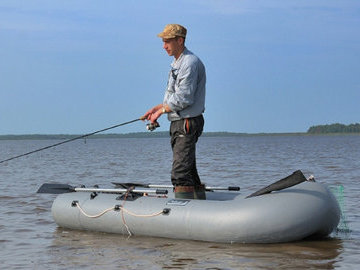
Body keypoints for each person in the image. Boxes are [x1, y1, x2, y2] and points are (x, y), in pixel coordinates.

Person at [143, 24, 206, 199]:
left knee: (180, 172)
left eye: (167, 42)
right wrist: (157, 109)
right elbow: (174, 96)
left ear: (180, 40)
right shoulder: (176, 63)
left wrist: (161, 111)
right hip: (179, 121)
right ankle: (199, 202)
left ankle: (185, 210)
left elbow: (184, 98)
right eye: (163, 42)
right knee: (188, 168)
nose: (164, 46)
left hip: (187, 121)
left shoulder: (189, 63)